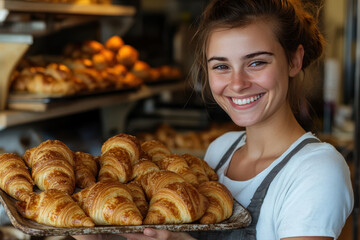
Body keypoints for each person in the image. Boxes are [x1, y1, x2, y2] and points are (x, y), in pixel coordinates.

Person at [73, 0, 354, 239]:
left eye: (256, 62)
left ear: (294, 61)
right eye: (221, 66)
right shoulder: (220, 151)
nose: (237, 83)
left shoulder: (316, 170)